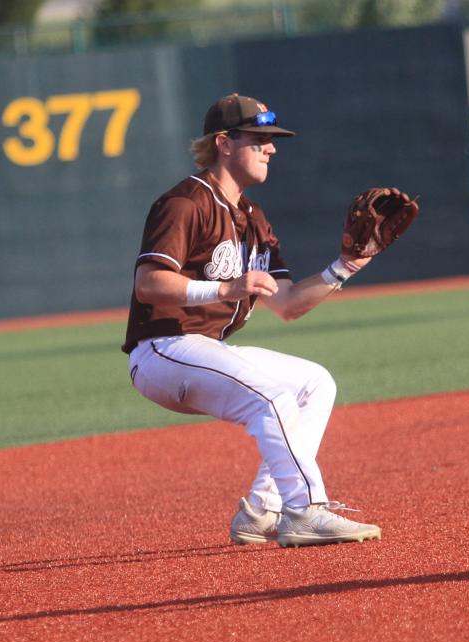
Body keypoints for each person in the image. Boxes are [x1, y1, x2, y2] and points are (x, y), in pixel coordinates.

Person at [122, 93, 380, 548]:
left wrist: (346, 266)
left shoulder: (254, 220)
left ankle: (263, 511)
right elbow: (149, 283)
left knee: (314, 383)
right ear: (224, 142)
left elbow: (288, 303)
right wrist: (223, 289)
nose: (271, 148)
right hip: (164, 348)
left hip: (207, 348)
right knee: (274, 396)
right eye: (260, 138)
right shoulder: (185, 203)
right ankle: (305, 510)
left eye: (272, 140)